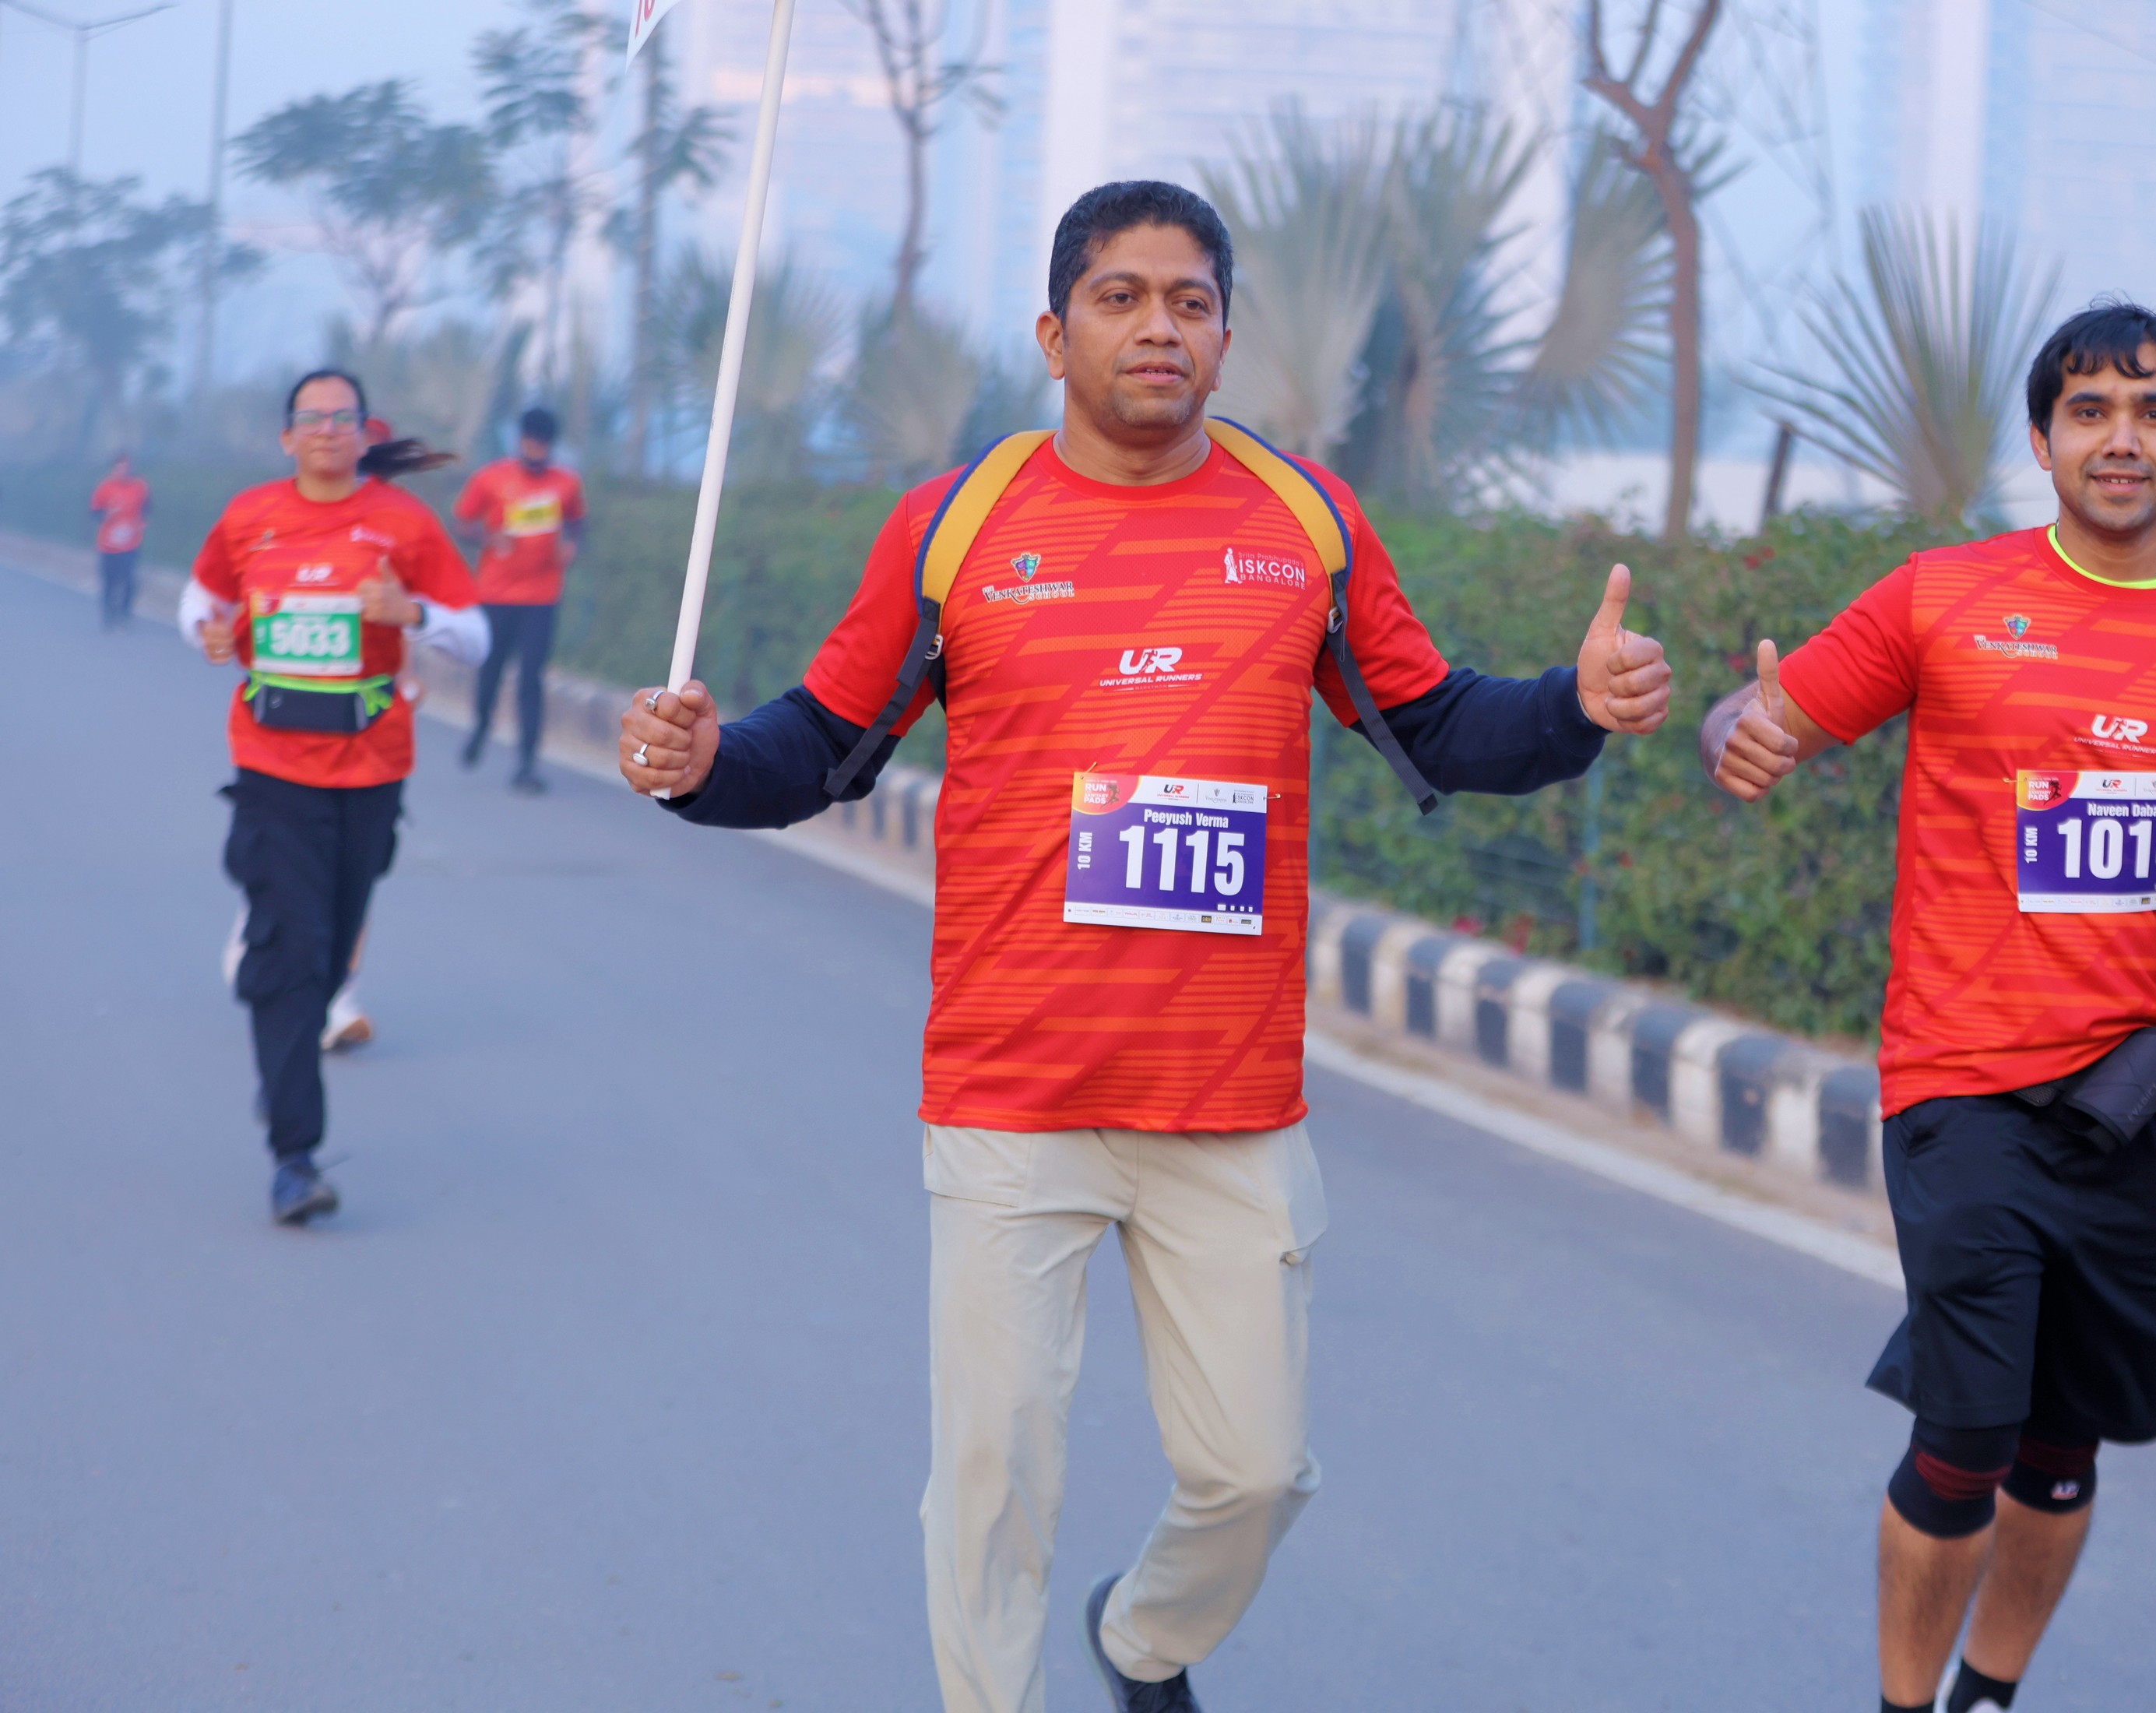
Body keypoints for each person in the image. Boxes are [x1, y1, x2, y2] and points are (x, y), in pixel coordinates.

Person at [617, 180, 1671, 1713]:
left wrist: (1577, 705)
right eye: (1120, 297)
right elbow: (822, 738)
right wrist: (703, 764)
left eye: (1190, 300)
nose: (1158, 326)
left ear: (1227, 337)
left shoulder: (1306, 523)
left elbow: (1439, 720)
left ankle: (1144, 1638)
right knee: (993, 1478)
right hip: (1011, 1089)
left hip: (1226, 1099)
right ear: (1055, 335)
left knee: (1257, 1472)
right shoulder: (957, 526)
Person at [1701, 301, 2156, 1713]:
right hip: (1960, 1089)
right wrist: (1743, 734)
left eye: (2152, 412)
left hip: (2142, 1103)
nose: (2121, 438)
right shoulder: (1942, 597)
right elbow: (1760, 716)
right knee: (1965, 1436)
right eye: (2090, 411)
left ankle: (1987, 1696)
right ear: (2043, 440)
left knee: (2063, 1451)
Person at [178, 370, 487, 1224]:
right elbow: (201, 599)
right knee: (290, 950)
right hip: (272, 767)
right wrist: (206, 632)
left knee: (332, 949)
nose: (326, 429)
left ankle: (283, 1071)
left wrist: (410, 612)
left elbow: (474, 635)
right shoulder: (249, 517)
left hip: (372, 768)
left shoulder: (404, 524)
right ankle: (295, 1156)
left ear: (362, 433)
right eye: (310, 418)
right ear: (287, 437)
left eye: (341, 417)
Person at [455, 405, 586, 793]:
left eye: (543, 444)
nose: (536, 450)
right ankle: (481, 725)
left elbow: (577, 522)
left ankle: (527, 763)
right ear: (521, 440)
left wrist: (572, 545)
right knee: (491, 669)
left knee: (532, 678)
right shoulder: (491, 478)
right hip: (496, 593)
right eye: (531, 442)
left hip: (542, 596)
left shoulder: (566, 484)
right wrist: (489, 538)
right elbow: (463, 522)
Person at [91, 452, 149, 628]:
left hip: (131, 543)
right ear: (114, 469)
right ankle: (108, 615)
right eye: (120, 468)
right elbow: (94, 512)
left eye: (127, 467)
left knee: (129, 581)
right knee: (110, 581)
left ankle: (125, 614)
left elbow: (147, 507)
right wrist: (106, 515)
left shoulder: (140, 487)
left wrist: (143, 522)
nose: (124, 471)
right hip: (108, 544)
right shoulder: (105, 487)